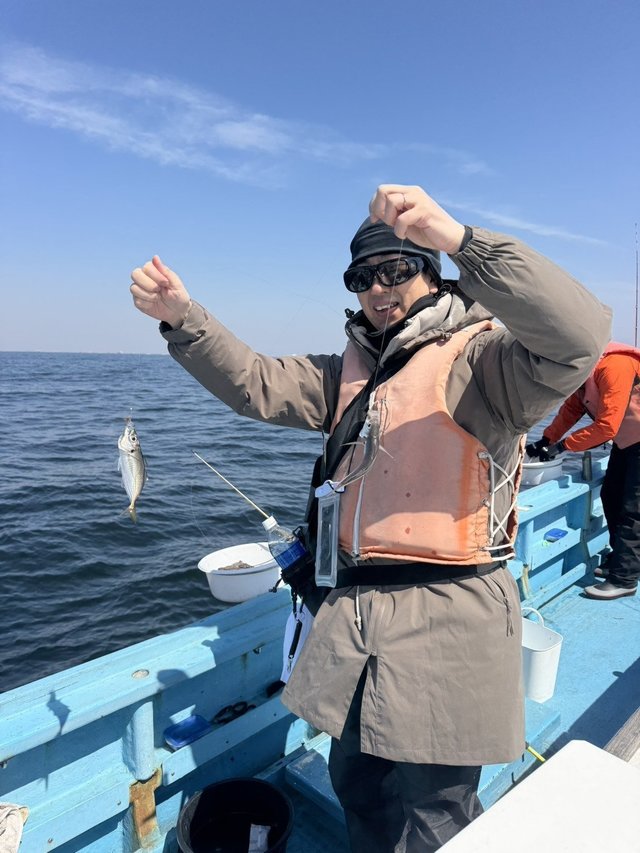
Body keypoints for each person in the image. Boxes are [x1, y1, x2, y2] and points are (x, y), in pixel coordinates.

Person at [130, 185, 611, 851]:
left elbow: (578, 339)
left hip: (448, 617)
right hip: (352, 619)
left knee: (437, 812)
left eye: (397, 269)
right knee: (358, 785)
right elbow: (255, 382)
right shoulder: (345, 374)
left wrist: (462, 239)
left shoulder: (488, 362)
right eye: (362, 277)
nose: (379, 289)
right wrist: (185, 319)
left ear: (431, 271)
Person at [526, 343, 640, 601]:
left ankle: (624, 579)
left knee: (633, 509)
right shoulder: (583, 376)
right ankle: (623, 561)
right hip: (628, 442)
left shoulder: (615, 366)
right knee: (611, 497)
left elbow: (607, 427)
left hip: (634, 440)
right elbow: (572, 409)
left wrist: (563, 446)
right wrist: (546, 439)